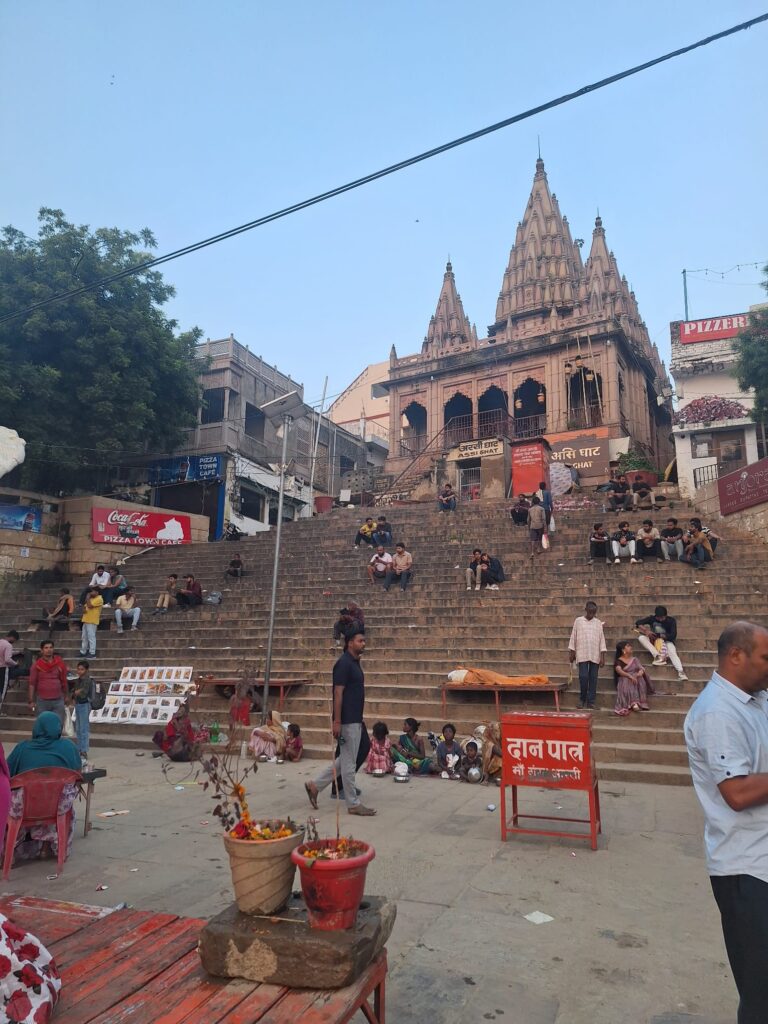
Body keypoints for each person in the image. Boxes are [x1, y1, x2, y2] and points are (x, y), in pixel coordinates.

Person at [684, 621, 768, 1022]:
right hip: (745, 870)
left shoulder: (756, 699)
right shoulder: (716, 712)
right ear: (737, 656)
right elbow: (736, 793)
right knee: (760, 993)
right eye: (765, 657)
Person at [305, 625, 376, 816]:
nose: (363, 644)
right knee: (349, 764)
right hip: (347, 720)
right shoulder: (343, 663)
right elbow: (338, 692)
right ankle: (352, 803)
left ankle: (314, 786)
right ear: (350, 642)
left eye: (364, 640)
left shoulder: (354, 662)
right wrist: (337, 721)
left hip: (355, 719)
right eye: (360, 640)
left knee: (343, 761)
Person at [5, 712, 81, 867]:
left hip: (23, 809)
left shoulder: (22, 748)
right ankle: (46, 848)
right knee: (62, 797)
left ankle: (11, 851)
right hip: (56, 808)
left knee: (16, 797)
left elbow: (8, 773)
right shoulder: (68, 747)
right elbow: (77, 773)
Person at [568, 601, 607, 710]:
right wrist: (572, 652)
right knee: (583, 677)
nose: (591, 615)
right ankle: (582, 699)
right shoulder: (578, 621)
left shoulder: (598, 622)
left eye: (593, 613)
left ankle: (591, 702)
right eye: (590, 612)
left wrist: (602, 656)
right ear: (586, 610)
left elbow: (601, 639)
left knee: (593, 678)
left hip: (595, 654)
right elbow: (573, 637)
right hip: (582, 653)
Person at [635, 605, 689, 681]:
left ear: (666, 616)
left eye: (662, 618)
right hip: (654, 641)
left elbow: (673, 636)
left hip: (667, 641)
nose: (660, 619)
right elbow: (638, 623)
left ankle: (681, 672)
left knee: (672, 652)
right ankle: (657, 656)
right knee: (641, 638)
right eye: (658, 618)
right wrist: (646, 631)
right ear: (655, 616)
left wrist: (660, 636)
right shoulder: (652, 618)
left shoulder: (671, 620)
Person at [29, 641, 68, 725]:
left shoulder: (59, 663)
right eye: (46, 648)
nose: (49, 650)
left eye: (51, 647)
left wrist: (66, 696)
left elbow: (64, 681)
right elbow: (32, 683)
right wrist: (31, 700)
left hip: (58, 699)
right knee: (43, 725)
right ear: (42, 650)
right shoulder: (37, 665)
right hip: (42, 700)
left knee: (58, 724)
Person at [613, 640, 653, 716]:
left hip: (636, 678)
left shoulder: (635, 659)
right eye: (628, 646)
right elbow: (619, 671)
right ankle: (634, 703)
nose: (631, 647)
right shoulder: (618, 661)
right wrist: (630, 676)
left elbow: (641, 668)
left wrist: (639, 673)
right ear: (623, 650)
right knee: (627, 679)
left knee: (640, 678)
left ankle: (641, 702)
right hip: (625, 679)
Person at [71, 659, 94, 762]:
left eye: (82, 669)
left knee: (84, 728)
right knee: (79, 728)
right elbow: (74, 692)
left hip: (85, 704)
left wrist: (77, 692)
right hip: (78, 704)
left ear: (86, 670)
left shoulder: (88, 680)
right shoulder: (78, 680)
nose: (79, 671)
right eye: (78, 669)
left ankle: (84, 750)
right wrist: (76, 693)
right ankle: (79, 748)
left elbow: (84, 693)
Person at [80, 587, 103, 657]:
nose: (90, 593)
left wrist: (87, 597)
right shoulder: (91, 599)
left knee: (91, 637)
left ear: (97, 592)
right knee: (84, 637)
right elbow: (84, 609)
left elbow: (89, 606)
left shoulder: (99, 599)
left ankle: (92, 653)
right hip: (86, 620)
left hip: (92, 620)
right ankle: (83, 652)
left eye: (92, 592)